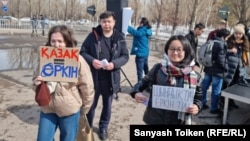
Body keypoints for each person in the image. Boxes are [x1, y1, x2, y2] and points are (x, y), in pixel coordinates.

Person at [32, 25, 95, 141]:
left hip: (70, 110)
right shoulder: (44, 58)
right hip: (48, 108)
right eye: (53, 41)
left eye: (60, 41)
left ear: (67, 42)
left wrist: (84, 109)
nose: (56, 45)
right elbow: (34, 80)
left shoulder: (78, 60)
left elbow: (87, 87)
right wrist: (37, 84)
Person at [130, 35, 203, 125]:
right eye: (171, 49)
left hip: (179, 122)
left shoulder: (195, 76)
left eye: (179, 49)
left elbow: (199, 98)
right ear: (167, 50)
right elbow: (143, 82)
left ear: (186, 51)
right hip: (155, 119)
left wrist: (196, 107)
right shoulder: (158, 68)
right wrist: (136, 92)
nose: (175, 53)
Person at [80, 11, 129, 140]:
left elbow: (125, 56)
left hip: (110, 78)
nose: (106, 24)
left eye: (109, 21)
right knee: (90, 105)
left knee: (107, 106)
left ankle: (103, 128)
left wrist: (114, 64)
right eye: (103, 22)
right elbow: (83, 52)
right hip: (93, 78)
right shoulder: (93, 36)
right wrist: (92, 61)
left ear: (114, 22)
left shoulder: (120, 38)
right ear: (100, 22)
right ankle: (88, 127)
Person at [221, 24, 250, 109]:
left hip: (239, 68)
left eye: (240, 34)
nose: (238, 35)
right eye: (236, 33)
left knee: (234, 85)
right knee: (226, 85)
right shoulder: (229, 41)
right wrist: (229, 50)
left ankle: (231, 102)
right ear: (234, 33)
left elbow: (246, 54)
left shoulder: (244, 43)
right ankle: (223, 102)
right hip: (229, 67)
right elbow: (222, 51)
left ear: (243, 35)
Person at [201, 28, 230, 114]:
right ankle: (213, 108)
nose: (227, 39)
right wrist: (226, 68)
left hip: (208, 68)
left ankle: (202, 103)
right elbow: (221, 60)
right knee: (216, 90)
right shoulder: (221, 44)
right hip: (218, 72)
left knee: (204, 87)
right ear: (223, 36)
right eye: (227, 37)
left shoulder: (211, 41)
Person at [127, 17, 152, 82]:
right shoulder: (146, 29)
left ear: (142, 23)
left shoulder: (142, 31)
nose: (138, 23)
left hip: (140, 54)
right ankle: (149, 84)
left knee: (139, 72)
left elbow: (135, 33)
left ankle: (140, 86)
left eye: (139, 22)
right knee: (146, 69)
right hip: (145, 53)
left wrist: (126, 26)